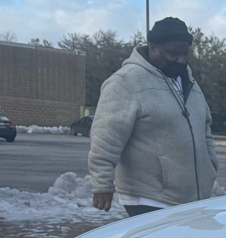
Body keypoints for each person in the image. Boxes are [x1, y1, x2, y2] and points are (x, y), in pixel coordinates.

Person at [89, 17, 218, 216]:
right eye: (173, 53)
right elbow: (106, 137)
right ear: (153, 47)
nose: (181, 60)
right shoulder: (125, 82)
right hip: (149, 198)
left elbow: (205, 129)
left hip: (191, 197)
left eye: (185, 54)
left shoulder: (189, 83)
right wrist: (102, 183)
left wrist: (211, 165)